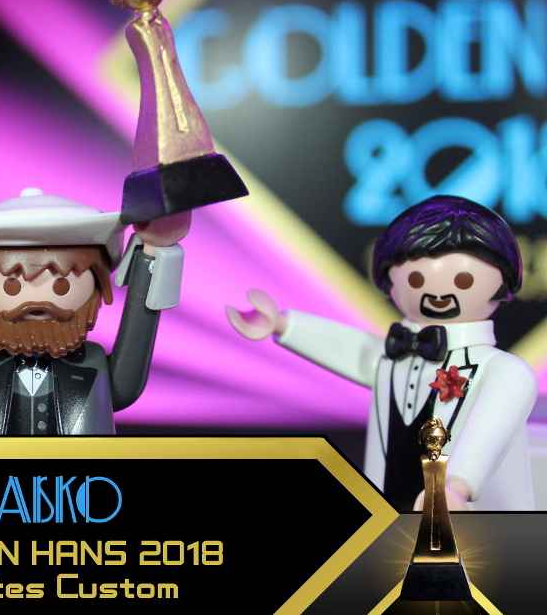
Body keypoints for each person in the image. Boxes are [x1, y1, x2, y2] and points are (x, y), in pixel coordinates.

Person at [227, 195, 537, 511]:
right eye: (416, 279)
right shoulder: (393, 357)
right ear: (389, 279)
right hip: (388, 519)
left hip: (480, 527)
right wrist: (282, 324)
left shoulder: (504, 370)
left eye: (463, 280)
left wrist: (456, 487)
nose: (438, 294)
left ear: (504, 282)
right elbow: (351, 347)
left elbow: (488, 432)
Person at [0, 188, 188, 435]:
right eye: (12, 285)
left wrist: (155, 254)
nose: (37, 302)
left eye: (61, 286)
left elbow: (137, 340)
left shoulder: (96, 366)